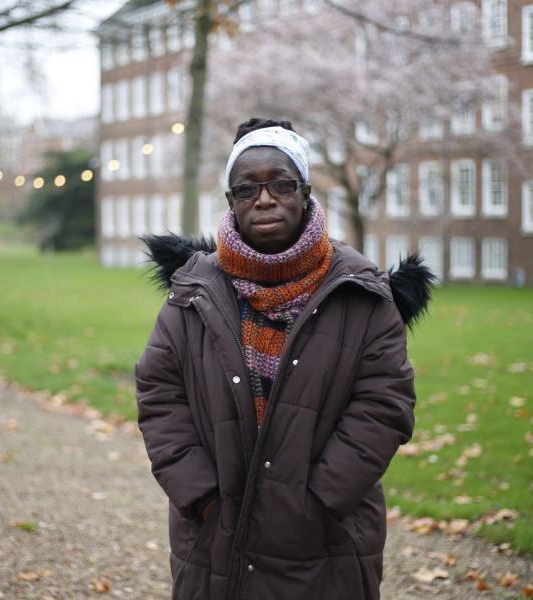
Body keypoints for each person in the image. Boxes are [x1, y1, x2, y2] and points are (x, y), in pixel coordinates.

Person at [136, 118, 433, 600]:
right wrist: (203, 496)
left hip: (326, 540)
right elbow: (159, 394)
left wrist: (317, 501)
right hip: (216, 537)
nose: (265, 198)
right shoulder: (193, 292)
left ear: (306, 192)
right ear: (231, 202)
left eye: (280, 183)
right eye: (247, 188)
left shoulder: (360, 291)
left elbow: (384, 403)